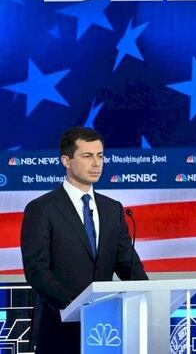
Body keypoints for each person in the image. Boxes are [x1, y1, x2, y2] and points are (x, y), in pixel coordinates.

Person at [20, 127, 147, 354]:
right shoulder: (42, 209)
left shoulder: (112, 209)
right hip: (59, 328)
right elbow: (36, 270)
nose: (96, 163)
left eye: (100, 156)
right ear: (66, 161)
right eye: (87, 156)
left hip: (107, 331)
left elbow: (128, 265)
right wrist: (79, 306)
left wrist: (149, 297)